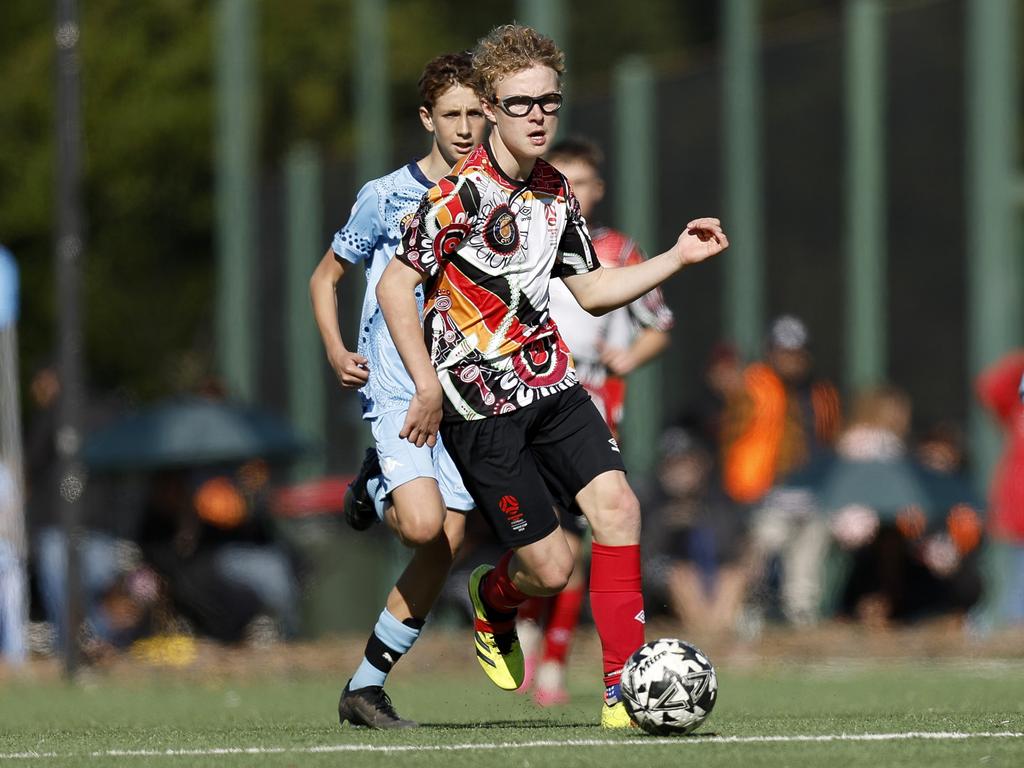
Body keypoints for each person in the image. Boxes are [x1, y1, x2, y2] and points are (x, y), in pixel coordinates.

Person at [376, 24, 727, 728]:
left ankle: (621, 693)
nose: (537, 115)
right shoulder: (456, 198)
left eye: (549, 102)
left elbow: (591, 291)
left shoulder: (554, 190)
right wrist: (423, 385)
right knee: (551, 568)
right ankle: (493, 597)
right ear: (491, 107)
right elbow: (393, 287)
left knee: (620, 509)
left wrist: (675, 259)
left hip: (556, 389)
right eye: (519, 103)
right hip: (481, 412)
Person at [309, 52, 487, 728]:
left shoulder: (499, 194)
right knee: (420, 526)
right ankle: (379, 483)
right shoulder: (387, 195)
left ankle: (364, 688)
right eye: (452, 115)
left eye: (476, 113)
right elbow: (325, 277)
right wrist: (335, 349)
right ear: (426, 119)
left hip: (460, 391)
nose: (466, 128)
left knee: (449, 542)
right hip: (393, 386)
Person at [517, 137, 675, 707]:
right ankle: (518, 613)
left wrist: (631, 356)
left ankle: (558, 665)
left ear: (598, 190)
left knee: (589, 537)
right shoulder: (514, 235)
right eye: (565, 179)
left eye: (584, 182)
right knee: (545, 543)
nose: (573, 192)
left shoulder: (616, 250)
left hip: (588, 401)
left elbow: (658, 320)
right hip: (520, 396)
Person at [722, 315, 841, 626]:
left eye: (797, 352)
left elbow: (827, 439)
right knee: (761, 555)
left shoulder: (820, 392)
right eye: (784, 352)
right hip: (764, 492)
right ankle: (747, 620)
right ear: (771, 352)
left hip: (811, 491)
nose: (791, 360)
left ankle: (800, 626)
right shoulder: (753, 385)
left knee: (806, 569)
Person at [975, 351, 1024, 625]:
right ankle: (1014, 640)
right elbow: (991, 387)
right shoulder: (1018, 409)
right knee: (1019, 585)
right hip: (1020, 515)